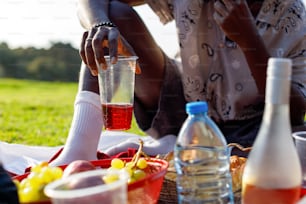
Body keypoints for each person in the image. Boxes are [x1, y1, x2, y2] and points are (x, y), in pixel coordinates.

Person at [50, 0, 306, 166]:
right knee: (115, 15)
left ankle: (175, 149)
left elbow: (295, 111)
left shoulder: (292, 15)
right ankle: (78, 151)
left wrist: (249, 39)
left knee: (293, 154)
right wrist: (100, 24)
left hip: (253, 129)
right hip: (183, 109)